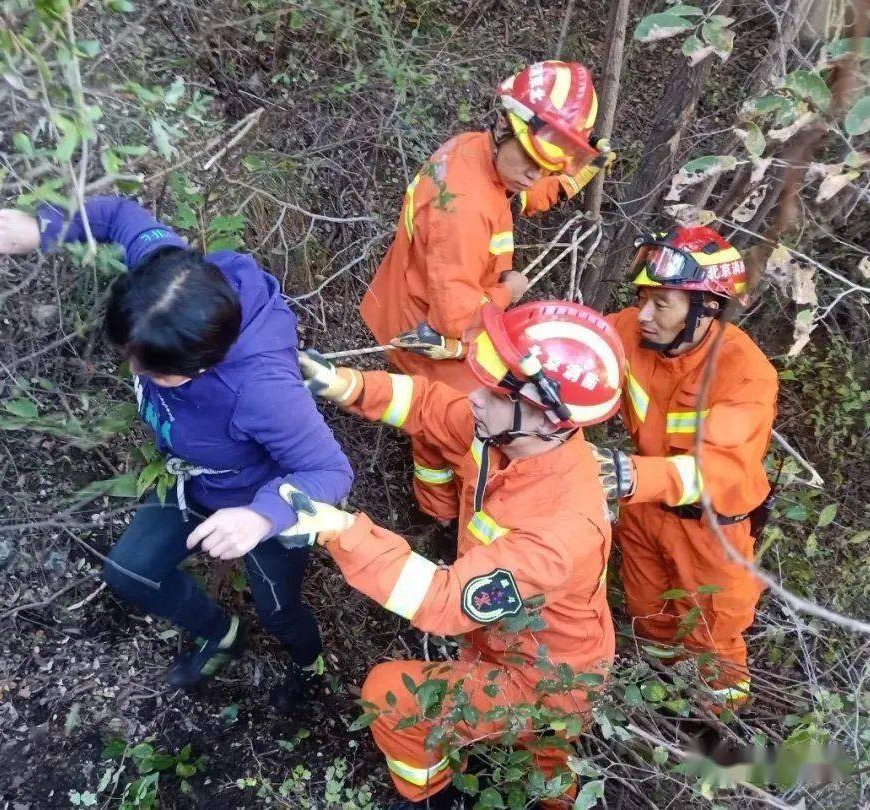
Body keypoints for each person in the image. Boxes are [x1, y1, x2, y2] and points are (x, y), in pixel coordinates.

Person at [0, 196, 353, 714]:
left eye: (155, 372)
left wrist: (261, 516)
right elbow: (119, 216)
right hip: (195, 482)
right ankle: (221, 634)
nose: (137, 374)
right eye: (132, 359)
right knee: (130, 571)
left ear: (202, 366)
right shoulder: (172, 282)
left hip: (257, 499)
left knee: (279, 611)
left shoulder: (262, 391)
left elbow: (331, 469)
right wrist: (46, 228)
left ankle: (309, 667)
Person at [288, 301, 625, 808]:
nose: (475, 398)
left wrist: (340, 531)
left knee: (389, 695)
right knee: (545, 759)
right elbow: (426, 404)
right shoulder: (507, 434)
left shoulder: (561, 529)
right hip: (518, 648)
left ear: (547, 415)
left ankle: (432, 797)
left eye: (494, 392)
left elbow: (444, 602)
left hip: (543, 682)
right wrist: (344, 384)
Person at [360, 60, 612, 521]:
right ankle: (452, 516)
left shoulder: (473, 151)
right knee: (465, 433)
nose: (533, 175)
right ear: (504, 125)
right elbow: (456, 318)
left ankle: (434, 508)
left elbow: (517, 194)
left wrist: (574, 177)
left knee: (430, 427)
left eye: (545, 167)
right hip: (435, 336)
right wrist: (508, 293)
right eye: (531, 162)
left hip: (406, 311)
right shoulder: (465, 212)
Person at [592, 226, 777, 710]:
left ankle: (717, 726)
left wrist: (634, 476)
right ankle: (661, 702)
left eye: (661, 303)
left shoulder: (744, 372)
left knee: (713, 639)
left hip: (711, 530)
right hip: (643, 511)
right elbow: (575, 344)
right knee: (648, 614)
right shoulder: (630, 331)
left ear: (706, 309)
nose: (643, 315)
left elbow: (718, 469)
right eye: (642, 299)